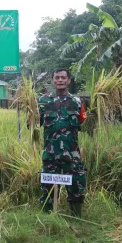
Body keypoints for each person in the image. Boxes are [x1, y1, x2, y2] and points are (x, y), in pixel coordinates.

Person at [37, 68, 86, 217]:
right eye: (57, 77)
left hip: (71, 154)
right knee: (48, 188)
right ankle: (47, 219)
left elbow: (83, 123)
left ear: (68, 80)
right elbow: (33, 123)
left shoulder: (76, 102)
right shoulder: (43, 101)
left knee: (76, 185)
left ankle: (76, 217)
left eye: (63, 77)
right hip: (50, 154)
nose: (60, 80)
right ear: (53, 80)